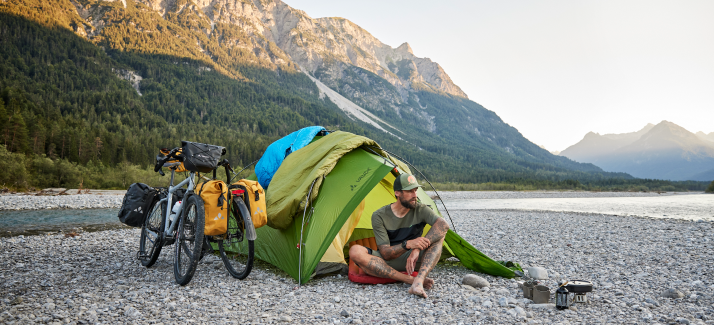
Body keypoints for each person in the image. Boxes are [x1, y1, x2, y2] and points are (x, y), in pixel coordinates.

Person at [349, 173, 449, 298]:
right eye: (409, 191)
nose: (415, 195)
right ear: (397, 193)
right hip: (387, 262)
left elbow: (443, 225)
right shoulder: (379, 216)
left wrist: (417, 248)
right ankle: (409, 280)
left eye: (415, 190)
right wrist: (407, 244)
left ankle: (419, 280)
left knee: (439, 236)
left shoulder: (421, 209)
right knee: (355, 251)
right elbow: (385, 253)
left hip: (414, 261)